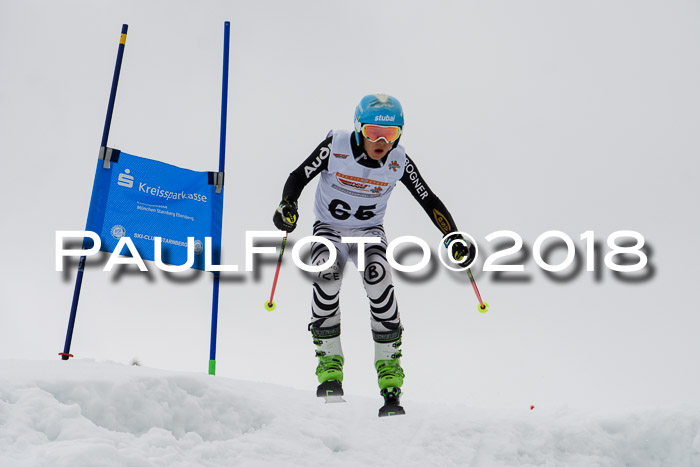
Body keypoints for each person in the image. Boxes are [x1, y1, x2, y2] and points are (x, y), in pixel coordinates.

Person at [272, 94, 475, 407]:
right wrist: (288, 205)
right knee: (326, 275)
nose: (381, 141)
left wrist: (453, 236)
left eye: (390, 134)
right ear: (357, 129)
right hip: (330, 229)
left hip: (369, 233)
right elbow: (298, 176)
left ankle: (389, 367)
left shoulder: (399, 161)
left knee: (379, 279)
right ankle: (329, 365)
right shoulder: (334, 147)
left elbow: (428, 199)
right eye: (372, 133)